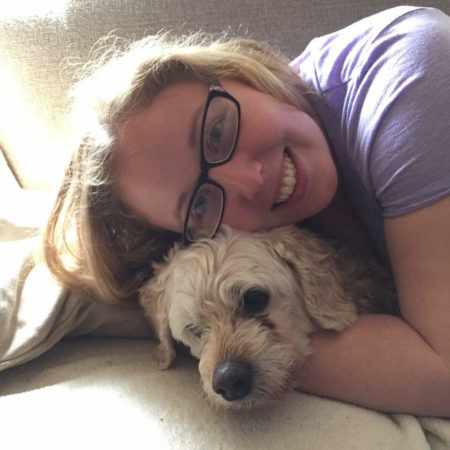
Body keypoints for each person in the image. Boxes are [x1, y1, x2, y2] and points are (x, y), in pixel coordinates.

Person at [33, 5, 450, 416]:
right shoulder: (246, 240)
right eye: (199, 203)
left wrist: (269, 351)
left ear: (234, 71)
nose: (250, 180)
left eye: (216, 132)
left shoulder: (410, 76)